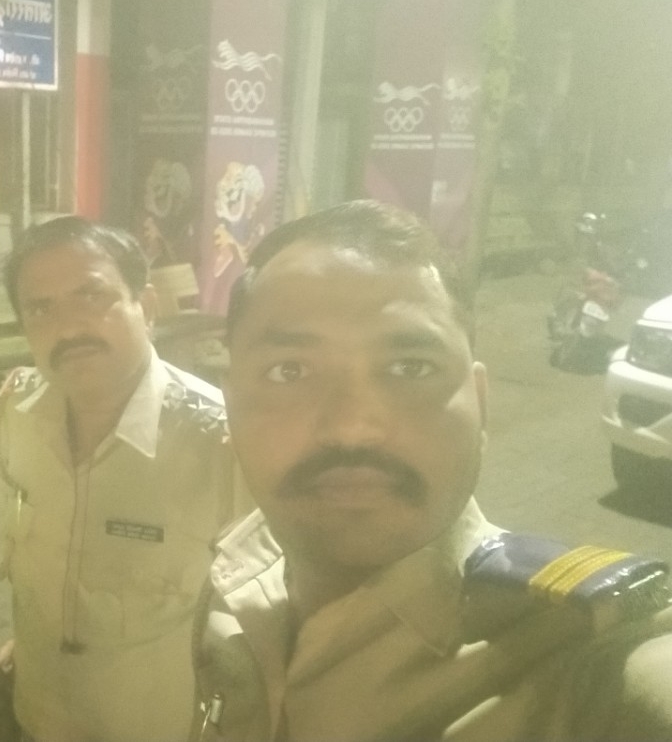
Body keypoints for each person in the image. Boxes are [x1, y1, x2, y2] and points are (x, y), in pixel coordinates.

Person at [191, 199, 672, 741]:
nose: (352, 427)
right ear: (230, 405)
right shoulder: (231, 585)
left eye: (410, 367)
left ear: (480, 403)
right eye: (289, 371)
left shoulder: (590, 664)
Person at [0, 216, 247, 742]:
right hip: (33, 718)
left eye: (92, 296)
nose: (68, 328)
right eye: (41, 309)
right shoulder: (16, 411)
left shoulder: (224, 444)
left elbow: (265, 622)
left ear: (146, 307)